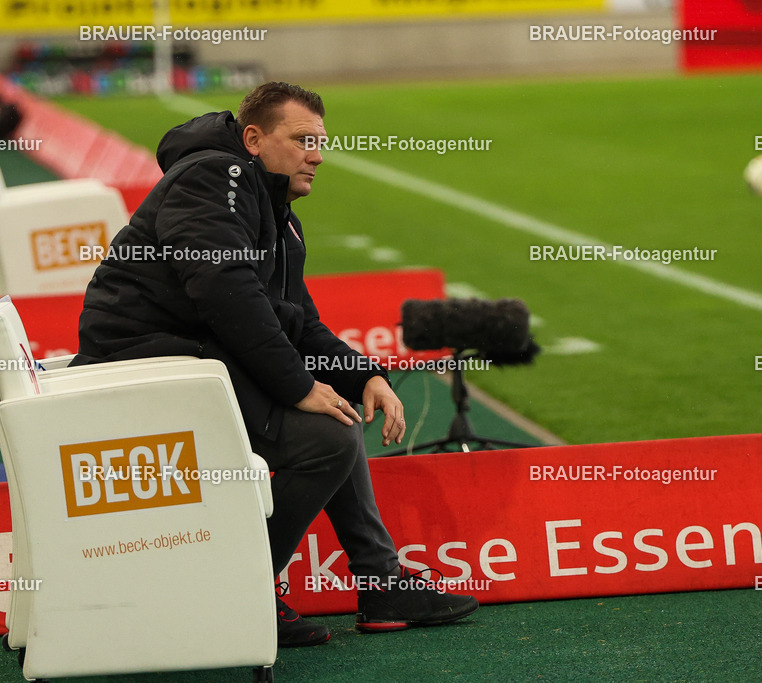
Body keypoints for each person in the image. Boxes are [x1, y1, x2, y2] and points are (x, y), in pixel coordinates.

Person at [71, 81, 479, 647]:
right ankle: (241, 589)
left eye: (321, 141)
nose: (316, 153)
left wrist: (363, 376)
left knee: (335, 416)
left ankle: (379, 579)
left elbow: (299, 321)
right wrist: (296, 385)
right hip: (140, 364)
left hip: (191, 362)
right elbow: (225, 291)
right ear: (254, 139)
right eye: (302, 139)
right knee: (327, 439)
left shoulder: (276, 210)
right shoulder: (215, 178)